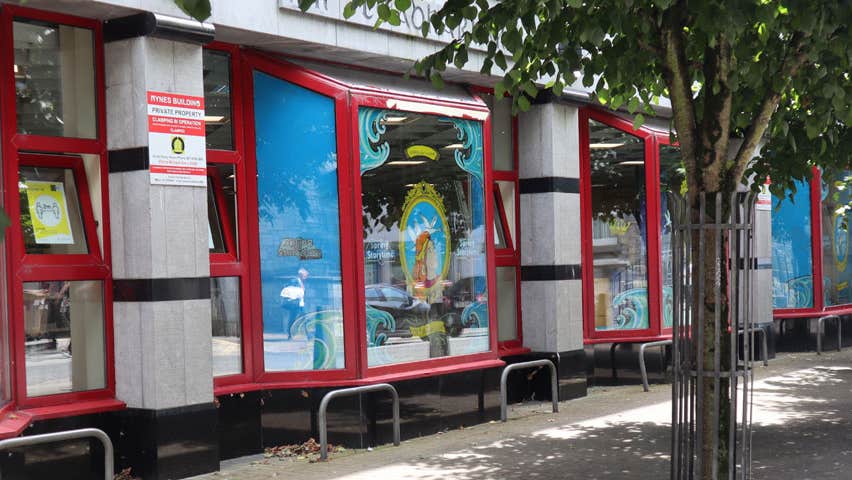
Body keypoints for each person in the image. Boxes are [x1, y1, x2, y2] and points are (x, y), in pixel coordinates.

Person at [280, 267, 309, 339]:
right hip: (295, 303)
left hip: (300, 304)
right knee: (293, 319)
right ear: (301, 275)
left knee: (305, 319)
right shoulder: (294, 281)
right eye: (305, 275)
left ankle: (308, 335)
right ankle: (290, 335)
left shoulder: (301, 282)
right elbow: (288, 289)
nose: (306, 277)